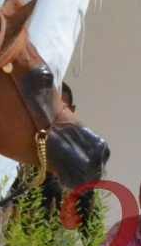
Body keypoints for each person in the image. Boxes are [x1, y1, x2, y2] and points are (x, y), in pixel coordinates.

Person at [9, 83, 96, 231]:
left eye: (60, 111)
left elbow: (91, 230)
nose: (53, 120)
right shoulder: (22, 156)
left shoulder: (79, 166)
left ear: (72, 111)